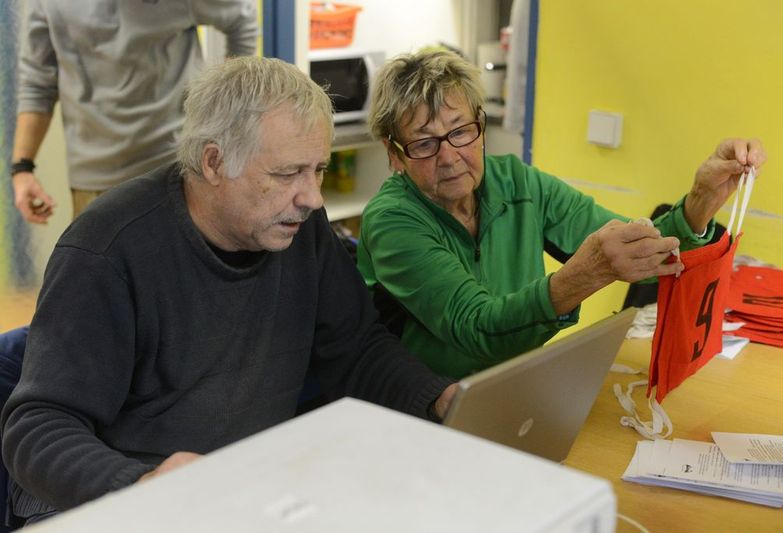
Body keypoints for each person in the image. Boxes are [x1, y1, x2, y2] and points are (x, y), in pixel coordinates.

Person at [1, 56, 457, 524]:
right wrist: (142, 484)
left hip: (242, 490)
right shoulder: (108, 250)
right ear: (214, 162)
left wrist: (440, 400)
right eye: (287, 173)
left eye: (318, 169)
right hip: (114, 502)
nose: (312, 197)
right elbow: (37, 428)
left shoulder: (301, 229)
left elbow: (357, 350)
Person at [356, 49, 767, 379]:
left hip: (515, 385)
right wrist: (585, 275)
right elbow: (479, 329)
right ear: (395, 155)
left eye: (460, 131)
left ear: (480, 126)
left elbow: (635, 252)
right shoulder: (393, 220)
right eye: (424, 144)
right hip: (424, 408)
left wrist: (701, 199)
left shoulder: (517, 184)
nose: (449, 157)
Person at [10, 0, 258, 223]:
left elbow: (241, 18)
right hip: (92, 179)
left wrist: (225, 112)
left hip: (175, 169)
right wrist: (23, 168)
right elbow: (37, 83)